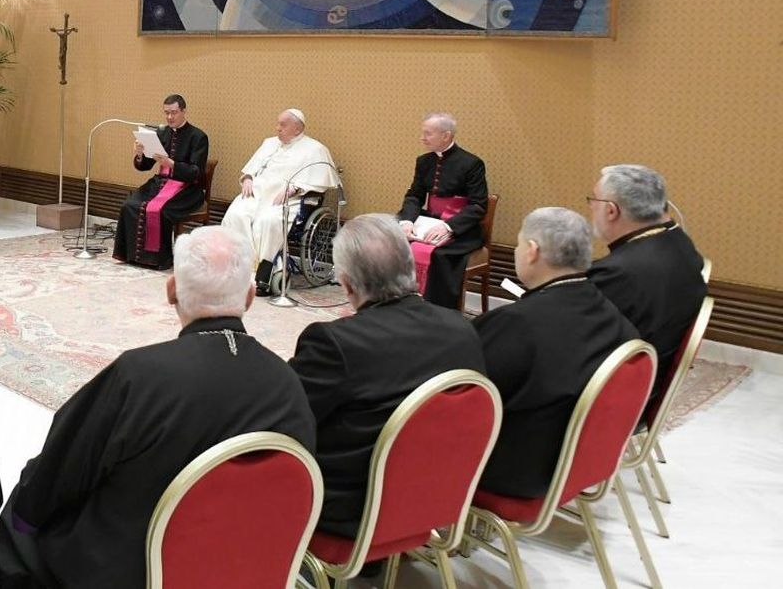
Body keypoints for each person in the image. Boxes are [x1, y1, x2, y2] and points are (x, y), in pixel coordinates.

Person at [0, 226, 315, 589]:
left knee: (22, 514)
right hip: (249, 566)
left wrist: (28, 509)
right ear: (251, 296)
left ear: (171, 290)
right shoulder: (288, 383)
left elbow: (60, 468)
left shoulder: (138, 376)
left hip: (138, 572)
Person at [288, 214, 485, 536]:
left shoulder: (336, 343)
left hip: (353, 510)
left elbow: (285, 417)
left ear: (346, 283)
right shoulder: (462, 329)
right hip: (438, 496)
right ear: (410, 267)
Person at [472, 207, 637, 498]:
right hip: (579, 460)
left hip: (517, 469)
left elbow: (468, 394)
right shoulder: (609, 311)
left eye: (519, 244)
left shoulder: (516, 324)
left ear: (532, 251)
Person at [587, 164, 708, 414]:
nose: (590, 208)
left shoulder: (617, 273)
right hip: (651, 385)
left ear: (611, 210)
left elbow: (572, 343)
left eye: (593, 200)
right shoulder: (680, 243)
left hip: (613, 401)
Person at [220, 108, 339, 294]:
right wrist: (248, 178)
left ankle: (263, 274)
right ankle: (237, 267)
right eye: (278, 124)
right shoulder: (269, 143)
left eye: (283, 125)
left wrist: (294, 188)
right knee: (236, 215)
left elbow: (319, 182)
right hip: (257, 194)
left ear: (297, 129)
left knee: (267, 221)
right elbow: (251, 169)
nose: (278, 128)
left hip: (288, 200)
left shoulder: (315, 149)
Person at [397, 112, 488, 310]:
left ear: (446, 136)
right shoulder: (424, 161)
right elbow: (414, 196)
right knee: (392, 240)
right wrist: (407, 222)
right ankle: (398, 304)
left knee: (441, 256)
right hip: (428, 220)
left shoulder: (472, 163)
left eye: (428, 133)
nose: (422, 138)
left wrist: (448, 227)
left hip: (459, 227)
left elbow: (478, 205)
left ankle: (436, 311)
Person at [112, 94, 209, 268]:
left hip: (187, 189)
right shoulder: (161, 133)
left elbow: (196, 173)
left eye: (174, 112)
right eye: (166, 113)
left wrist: (171, 164)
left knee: (160, 210)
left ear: (184, 111)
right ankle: (132, 256)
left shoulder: (198, 136)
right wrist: (140, 154)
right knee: (129, 205)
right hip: (159, 183)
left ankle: (158, 260)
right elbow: (145, 165)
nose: (170, 117)